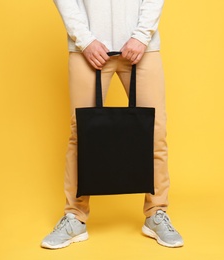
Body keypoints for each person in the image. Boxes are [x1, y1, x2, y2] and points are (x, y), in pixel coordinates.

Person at [41, 0, 183, 248]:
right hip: (87, 48)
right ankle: (74, 216)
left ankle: (156, 212)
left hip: (142, 47)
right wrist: (85, 40)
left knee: (154, 132)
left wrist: (141, 37)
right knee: (81, 134)